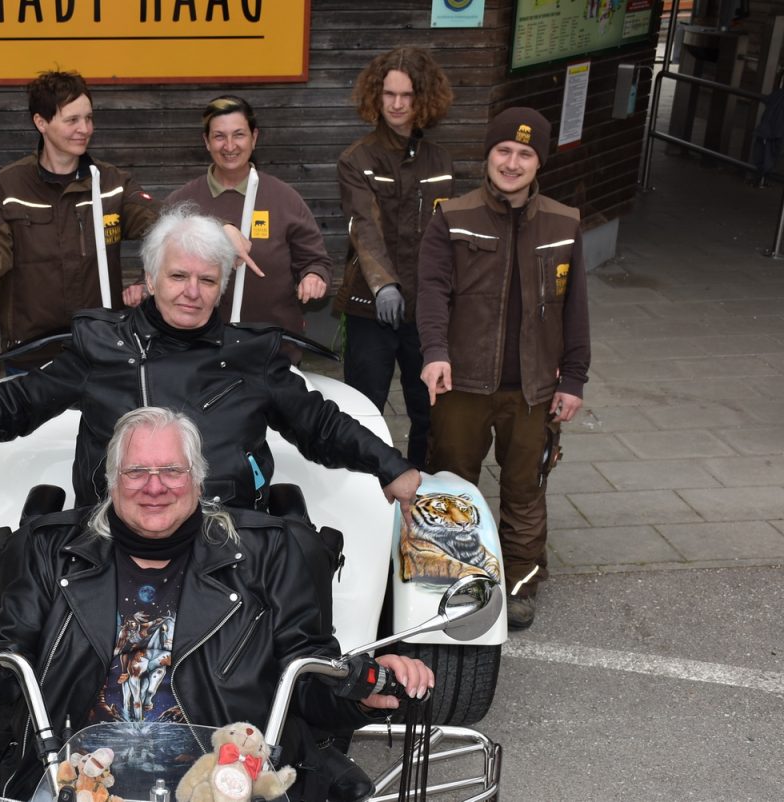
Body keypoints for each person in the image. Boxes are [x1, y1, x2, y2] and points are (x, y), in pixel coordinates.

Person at [0, 407, 434, 799]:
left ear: (198, 478)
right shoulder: (50, 550)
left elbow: (308, 676)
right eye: (137, 470)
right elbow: (1, 657)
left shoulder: (267, 554)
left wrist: (366, 684)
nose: (154, 485)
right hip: (76, 781)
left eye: (171, 470)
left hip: (222, 781)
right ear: (111, 480)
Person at [0, 206, 420, 517]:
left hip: (230, 531)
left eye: (207, 281)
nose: (192, 292)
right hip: (112, 531)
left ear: (222, 286)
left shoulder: (252, 354)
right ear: (152, 277)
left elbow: (319, 423)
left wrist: (390, 466)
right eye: (179, 276)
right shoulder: (102, 346)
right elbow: (22, 399)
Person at [417, 107, 590, 630]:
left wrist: (574, 378)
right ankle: (452, 579)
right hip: (463, 383)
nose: (512, 163)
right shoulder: (452, 216)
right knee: (451, 486)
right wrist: (434, 352)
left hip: (534, 390)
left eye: (525, 153)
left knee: (525, 490)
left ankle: (519, 585)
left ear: (538, 163)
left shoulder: (564, 222)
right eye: (503, 151)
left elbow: (575, 307)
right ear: (488, 155)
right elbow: (431, 294)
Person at [0, 69, 160, 372]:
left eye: (89, 118)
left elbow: (160, 224)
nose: (85, 129)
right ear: (41, 122)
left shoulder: (112, 183)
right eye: (72, 120)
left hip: (102, 350)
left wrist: (211, 230)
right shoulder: (7, 187)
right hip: (30, 356)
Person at [333, 48, 455, 468]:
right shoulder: (357, 159)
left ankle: (425, 486)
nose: (397, 104)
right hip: (372, 307)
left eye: (407, 94)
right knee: (365, 406)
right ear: (376, 95)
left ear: (424, 99)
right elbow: (363, 225)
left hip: (426, 311)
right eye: (389, 94)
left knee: (432, 410)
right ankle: (368, 484)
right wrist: (384, 283)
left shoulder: (441, 161)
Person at [141, 95, 332, 364]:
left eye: (239, 135)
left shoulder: (283, 198)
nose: (229, 146)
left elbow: (314, 259)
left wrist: (314, 275)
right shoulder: (183, 202)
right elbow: (157, 265)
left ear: (254, 137)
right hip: (196, 353)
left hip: (273, 349)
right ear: (206, 141)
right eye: (219, 136)